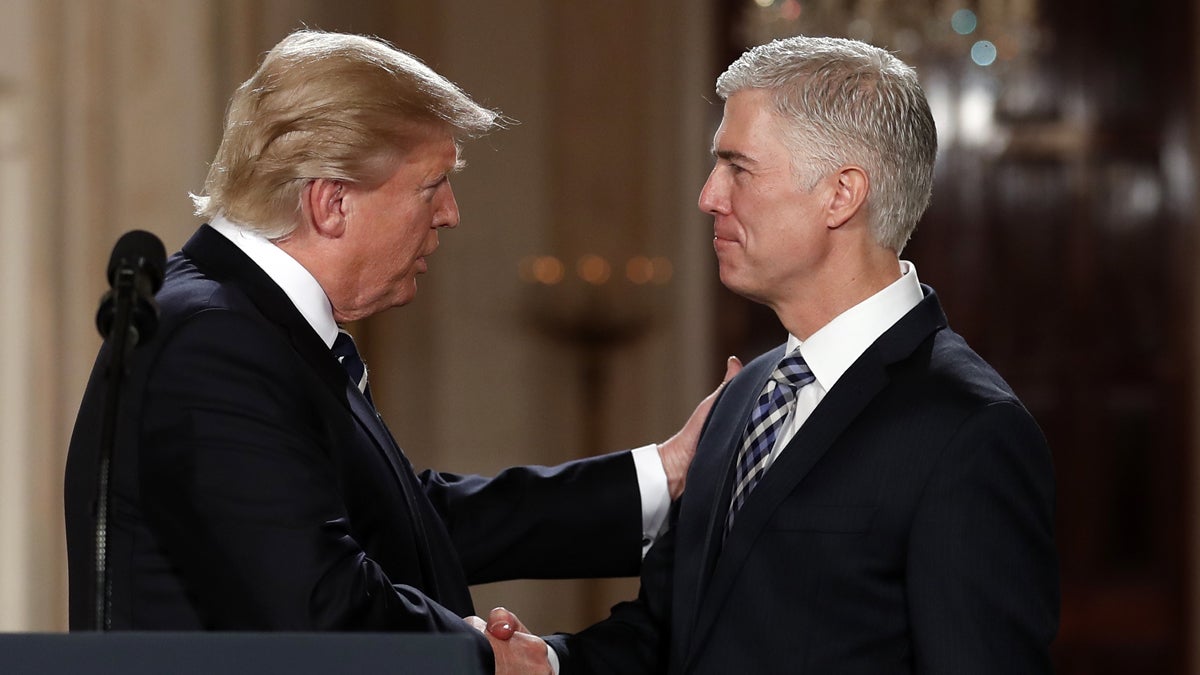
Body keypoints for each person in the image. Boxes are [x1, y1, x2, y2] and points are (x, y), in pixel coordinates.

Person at [63, 29, 739, 672]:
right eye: (430, 185)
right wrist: (487, 657)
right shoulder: (214, 343)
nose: (450, 212)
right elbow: (318, 610)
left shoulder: (246, 322)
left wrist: (666, 473)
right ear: (331, 203)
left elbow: (406, 519)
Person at [483, 35, 1059, 674]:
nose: (708, 195)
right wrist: (551, 666)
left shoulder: (969, 429)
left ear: (841, 194)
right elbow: (670, 636)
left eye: (738, 167)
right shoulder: (744, 395)